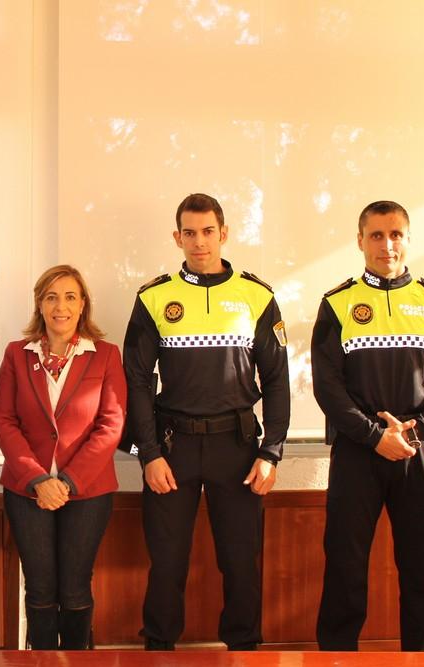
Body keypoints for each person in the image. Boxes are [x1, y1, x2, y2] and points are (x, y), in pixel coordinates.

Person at [123, 193, 290, 651]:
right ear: (177, 237)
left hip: (237, 447)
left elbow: (277, 380)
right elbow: (136, 381)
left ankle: (244, 651)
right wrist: (149, 454)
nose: (199, 242)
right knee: (167, 563)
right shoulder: (154, 297)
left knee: (240, 562)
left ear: (224, 234)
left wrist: (272, 452)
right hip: (171, 448)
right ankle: (159, 651)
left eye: (208, 231)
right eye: (190, 233)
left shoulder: (257, 296)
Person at [312, 201, 424, 652]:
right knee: (344, 568)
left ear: (408, 238)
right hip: (357, 451)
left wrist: (413, 433)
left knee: (423, 569)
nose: (387, 245)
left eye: (396, 234)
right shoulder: (337, 303)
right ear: (360, 241)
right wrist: (373, 436)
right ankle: (336, 659)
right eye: (377, 235)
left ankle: (422, 660)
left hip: (419, 451)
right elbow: (327, 386)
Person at [0, 265, 127, 650]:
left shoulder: (105, 355)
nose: (60, 306)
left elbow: (111, 424)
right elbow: (4, 420)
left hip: (87, 492)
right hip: (27, 490)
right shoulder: (17, 355)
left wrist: (67, 482)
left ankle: (78, 658)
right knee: (39, 589)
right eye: (51, 297)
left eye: (70, 297)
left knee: (74, 588)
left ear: (83, 304)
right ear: (39, 304)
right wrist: (38, 479)